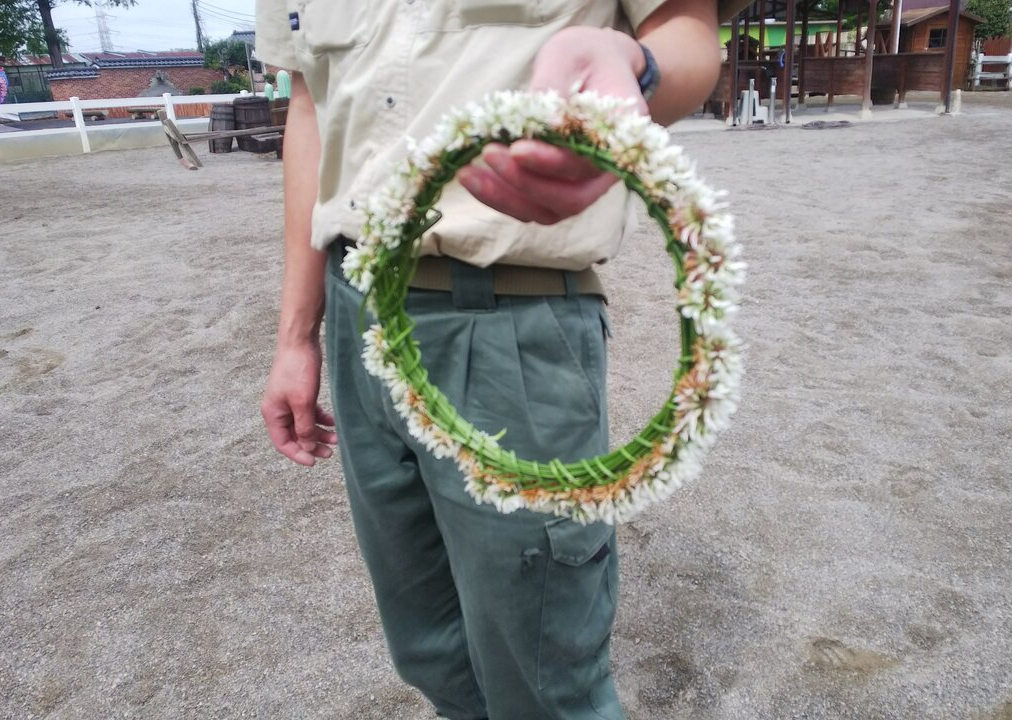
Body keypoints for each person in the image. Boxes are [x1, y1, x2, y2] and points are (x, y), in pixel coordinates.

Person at [255, 1, 744, 716]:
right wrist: (296, 336)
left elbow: (689, 33)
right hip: (357, 303)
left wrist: (635, 69)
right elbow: (309, 105)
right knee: (429, 649)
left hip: (509, 314)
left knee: (542, 678)